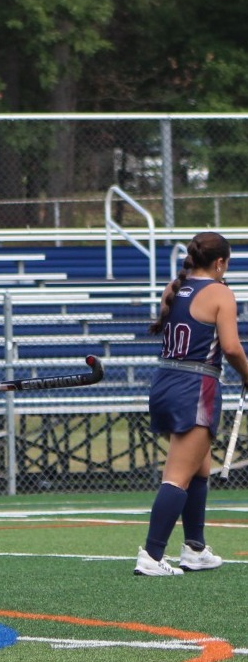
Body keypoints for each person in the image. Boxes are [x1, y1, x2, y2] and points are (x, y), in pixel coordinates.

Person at [135, 231, 248, 576]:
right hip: (195, 386)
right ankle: (152, 556)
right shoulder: (219, 293)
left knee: (200, 466)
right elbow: (230, 347)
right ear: (219, 263)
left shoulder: (174, 288)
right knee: (178, 476)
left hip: (166, 382)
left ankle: (195, 548)